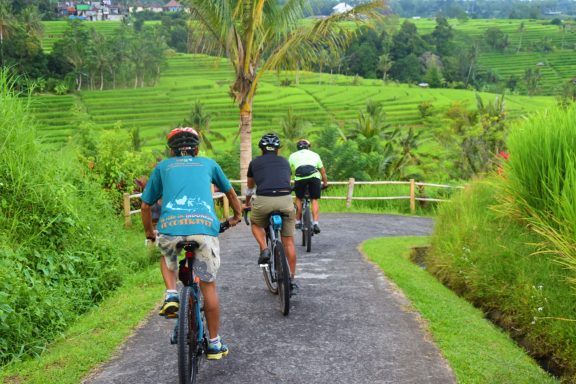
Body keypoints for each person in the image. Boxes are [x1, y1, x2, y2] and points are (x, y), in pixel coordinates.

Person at [141, 127, 242, 360]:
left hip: (171, 229)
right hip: (203, 230)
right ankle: (214, 343)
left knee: (167, 255)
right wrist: (236, 217)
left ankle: (171, 294)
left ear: (171, 151)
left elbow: (146, 205)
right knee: (208, 287)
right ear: (196, 148)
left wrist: (149, 233)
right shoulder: (208, 163)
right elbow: (231, 194)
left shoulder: (162, 167)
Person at [244, 133, 299, 294]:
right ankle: (291, 280)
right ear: (277, 150)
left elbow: (249, 188)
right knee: (288, 242)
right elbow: (286, 180)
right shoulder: (284, 161)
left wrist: (247, 203)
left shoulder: (254, 162)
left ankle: (264, 249)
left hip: (264, 199)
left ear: (261, 149)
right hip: (285, 199)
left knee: (255, 223)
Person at [288, 139, 328, 234]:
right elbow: (323, 172)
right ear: (308, 147)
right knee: (314, 199)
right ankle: (315, 223)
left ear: (298, 148)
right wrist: (325, 183)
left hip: (300, 178)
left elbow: (287, 172)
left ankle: (297, 221)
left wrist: (288, 185)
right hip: (314, 177)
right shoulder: (315, 154)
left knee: (298, 198)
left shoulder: (293, 155)